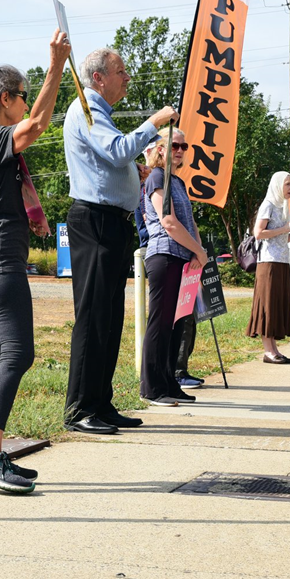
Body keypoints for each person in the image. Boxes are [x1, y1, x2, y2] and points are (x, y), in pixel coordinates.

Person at [0, 30, 71, 493]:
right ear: (6, 99)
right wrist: (57, 65)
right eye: (22, 98)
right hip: (1, 261)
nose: (26, 105)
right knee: (19, 353)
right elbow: (36, 126)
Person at [62, 48, 178, 434]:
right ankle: (80, 409)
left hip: (110, 222)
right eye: (121, 72)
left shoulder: (100, 114)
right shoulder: (86, 108)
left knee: (110, 320)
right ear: (98, 78)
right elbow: (115, 151)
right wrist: (154, 123)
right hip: (94, 221)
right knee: (94, 317)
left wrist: (135, 171)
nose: (127, 78)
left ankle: (100, 401)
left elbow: (111, 159)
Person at [139, 127, 208, 405]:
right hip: (164, 256)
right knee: (161, 322)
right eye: (174, 145)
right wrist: (197, 250)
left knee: (177, 324)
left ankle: (169, 383)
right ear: (160, 149)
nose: (180, 150)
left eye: (184, 146)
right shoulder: (157, 177)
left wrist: (199, 252)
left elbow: (189, 224)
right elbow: (168, 222)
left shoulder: (177, 182)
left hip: (184, 259)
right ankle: (152, 388)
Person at [247, 171, 290, 364]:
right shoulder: (268, 205)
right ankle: (268, 351)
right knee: (267, 305)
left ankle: (274, 350)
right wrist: (285, 229)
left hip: (283, 261)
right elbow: (258, 233)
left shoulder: (283, 207)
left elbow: (286, 238)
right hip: (268, 262)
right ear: (277, 185)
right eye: (287, 184)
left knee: (277, 305)